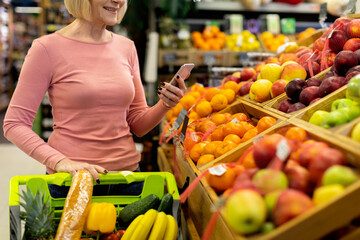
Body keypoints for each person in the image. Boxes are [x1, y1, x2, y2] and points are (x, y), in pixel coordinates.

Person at [3, 0, 186, 197]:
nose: (119, 1)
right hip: (71, 182)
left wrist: (165, 104)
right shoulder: (47, 48)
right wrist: (59, 161)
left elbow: (137, 125)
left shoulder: (126, 47)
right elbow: (14, 124)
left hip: (128, 179)